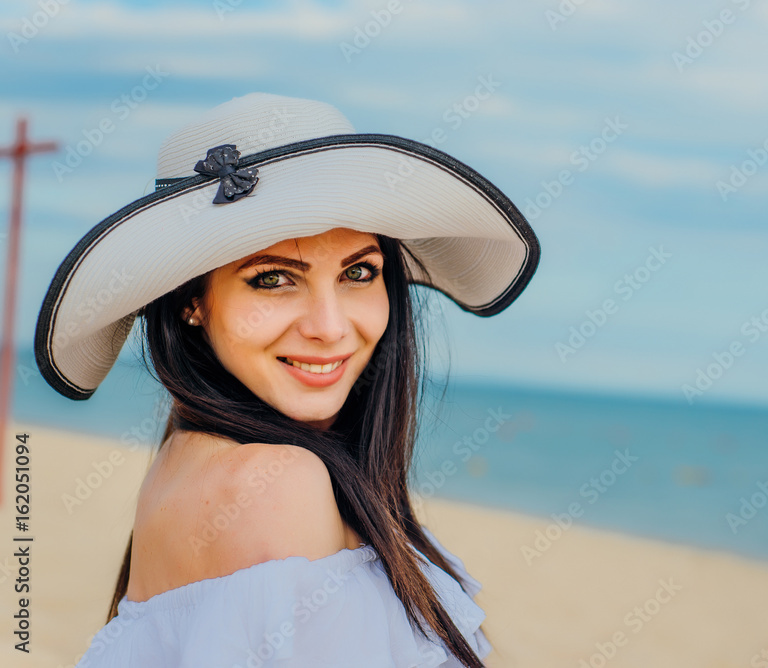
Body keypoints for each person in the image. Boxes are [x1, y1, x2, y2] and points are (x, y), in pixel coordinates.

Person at [33, 92, 541, 667]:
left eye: (358, 272)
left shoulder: (189, 455)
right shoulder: (276, 485)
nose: (329, 328)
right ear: (189, 302)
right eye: (272, 279)